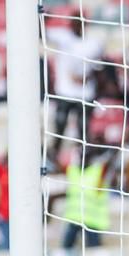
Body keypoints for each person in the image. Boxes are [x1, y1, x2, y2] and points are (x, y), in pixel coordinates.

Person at [46, 15, 103, 158]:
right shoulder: (63, 38)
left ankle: (83, 158)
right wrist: (41, 16)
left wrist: (86, 77)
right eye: (74, 23)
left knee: (83, 129)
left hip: (85, 93)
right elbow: (41, 33)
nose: (77, 26)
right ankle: (54, 157)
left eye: (80, 23)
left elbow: (100, 68)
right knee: (59, 126)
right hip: (65, 92)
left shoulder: (93, 44)